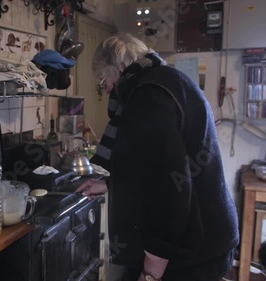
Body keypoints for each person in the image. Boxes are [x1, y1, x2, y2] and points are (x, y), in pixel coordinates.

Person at [76, 32, 239, 281]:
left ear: (119, 67)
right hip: (206, 237)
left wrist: (151, 270)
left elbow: (170, 188)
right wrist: (111, 183)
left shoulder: (148, 96)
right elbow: (152, 167)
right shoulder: (168, 81)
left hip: (189, 254)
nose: (107, 90)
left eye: (103, 81)